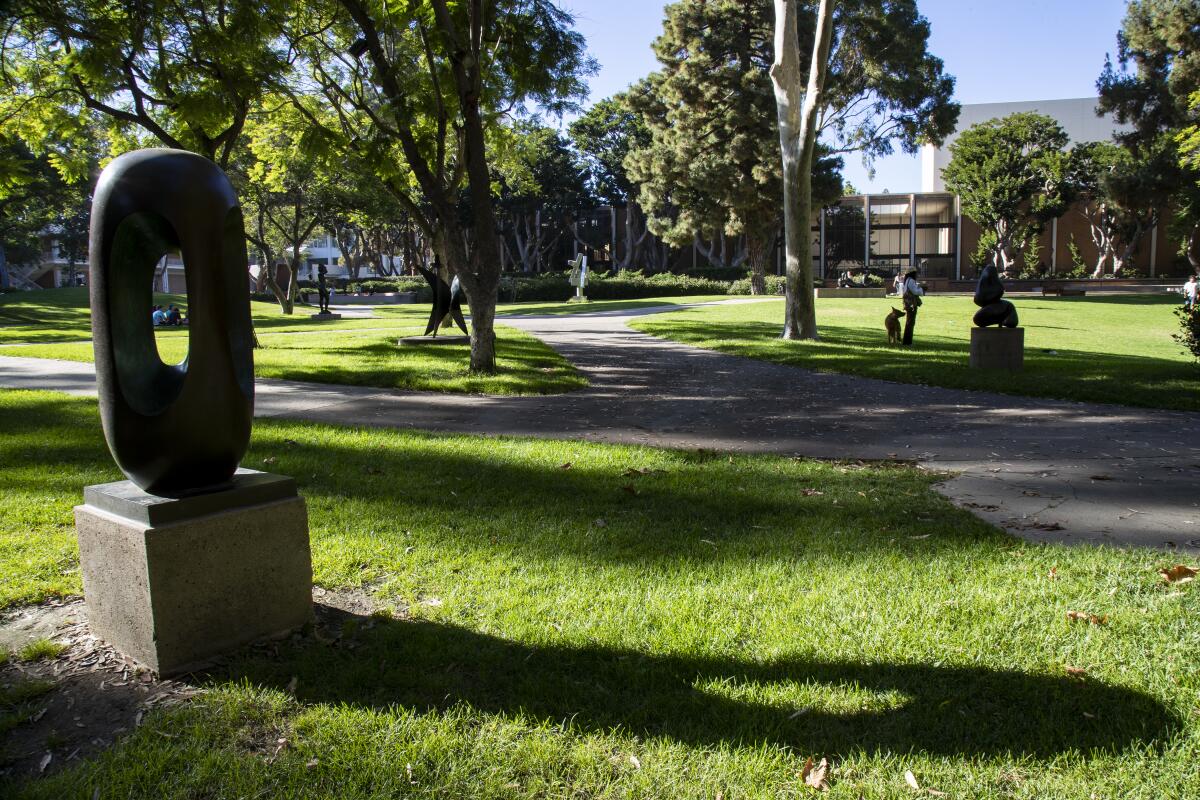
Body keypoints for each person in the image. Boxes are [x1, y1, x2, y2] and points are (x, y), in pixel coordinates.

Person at [899, 267, 925, 345]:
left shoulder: (907, 280)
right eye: (915, 273)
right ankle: (907, 342)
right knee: (910, 322)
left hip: (908, 303)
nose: (916, 274)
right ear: (912, 273)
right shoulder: (911, 280)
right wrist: (922, 289)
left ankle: (906, 341)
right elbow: (915, 291)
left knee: (909, 322)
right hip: (911, 304)